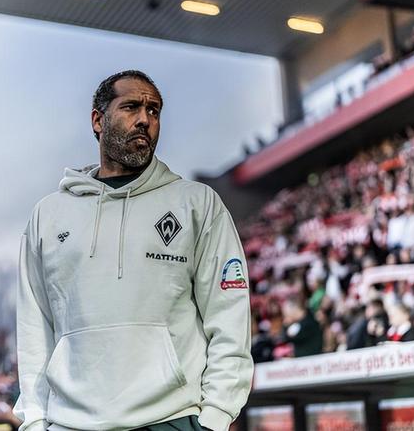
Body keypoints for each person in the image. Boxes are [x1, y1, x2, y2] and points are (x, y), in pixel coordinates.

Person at [14, 70, 253, 431]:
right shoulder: (48, 216)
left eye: (153, 110)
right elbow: (34, 327)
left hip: (171, 419)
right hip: (70, 423)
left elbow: (229, 315)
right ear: (98, 120)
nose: (145, 119)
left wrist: (216, 415)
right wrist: (34, 420)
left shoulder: (197, 204)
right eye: (131, 107)